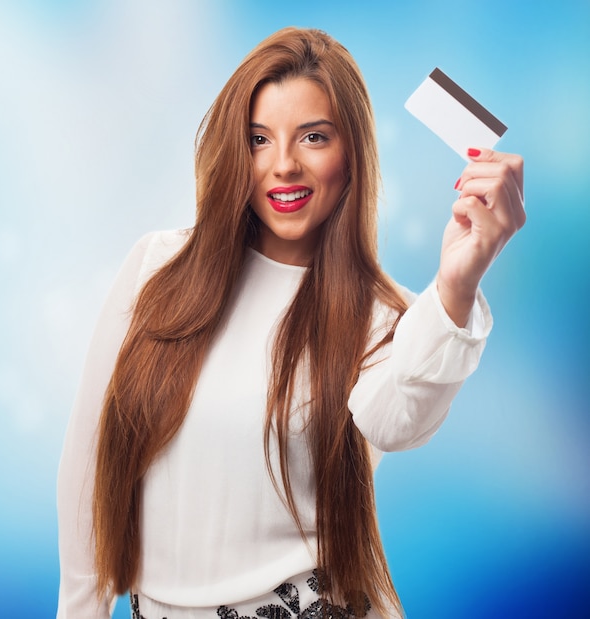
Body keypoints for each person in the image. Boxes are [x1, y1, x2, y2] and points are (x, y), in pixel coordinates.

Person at [56, 27, 525, 619]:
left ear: (352, 152)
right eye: (258, 139)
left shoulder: (389, 315)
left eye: (313, 137)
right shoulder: (157, 266)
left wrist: (456, 286)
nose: (282, 165)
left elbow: (394, 423)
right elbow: (88, 471)